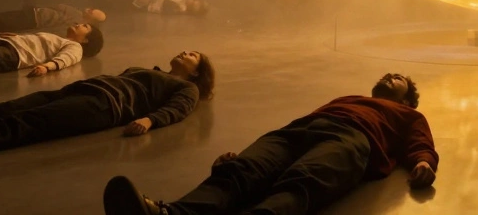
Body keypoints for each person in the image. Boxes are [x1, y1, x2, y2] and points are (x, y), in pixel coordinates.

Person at [102, 73, 437, 215]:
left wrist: (423, 162)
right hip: (299, 129)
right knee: (240, 170)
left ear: (407, 100)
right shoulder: (349, 97)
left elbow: (419, 142)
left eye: (398, 79)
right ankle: (169, 213)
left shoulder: (406, 115)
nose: (389, 77)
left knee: (304, 182)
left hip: (353, 139)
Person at [0, 51, 212, 171]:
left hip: (101, 107)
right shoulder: (152, 70)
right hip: (81, 91)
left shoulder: (187, 88)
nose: (185, 52)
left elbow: (179, 109)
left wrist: (150, 120)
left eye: (192, 54)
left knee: (19, 126)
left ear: (196, 71)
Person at [91, 0, 209, 16]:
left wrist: (150, 5)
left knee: (118, 2)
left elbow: (162, 1)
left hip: (142, 2)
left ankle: (97, 3)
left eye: (194, 2)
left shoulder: (180, 7)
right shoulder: (181, 1)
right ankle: (98, 0)